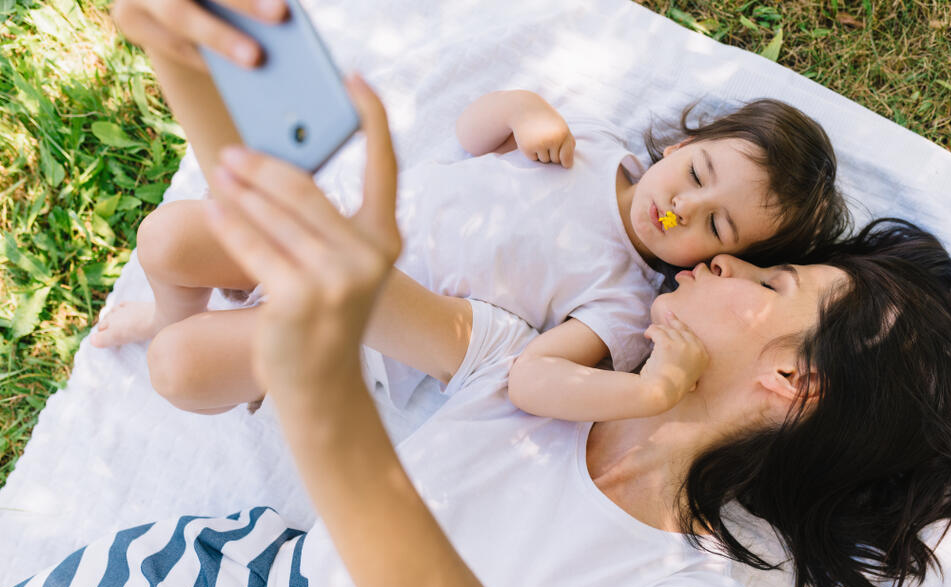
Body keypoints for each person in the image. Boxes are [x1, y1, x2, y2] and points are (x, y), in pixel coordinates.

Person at [1, 8, 951, 587]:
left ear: (793, 379)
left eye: (770, 277)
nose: (718, 261)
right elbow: (305, 261)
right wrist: (183, 59)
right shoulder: (518, 356)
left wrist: (322, 399)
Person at [92, 0, 849, 424]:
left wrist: (646, 391)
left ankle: (243, 358)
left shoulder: (622, 303)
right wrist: (523, 111)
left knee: (180, 367)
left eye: (715, 224)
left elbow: (538, 377)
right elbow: (468, 136)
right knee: (166, 237)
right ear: (686, 141)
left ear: (724, 258)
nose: (682, 206)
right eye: (696, 173)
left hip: (362, 322)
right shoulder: (594, 144)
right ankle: (171, 309)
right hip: (340, 223)